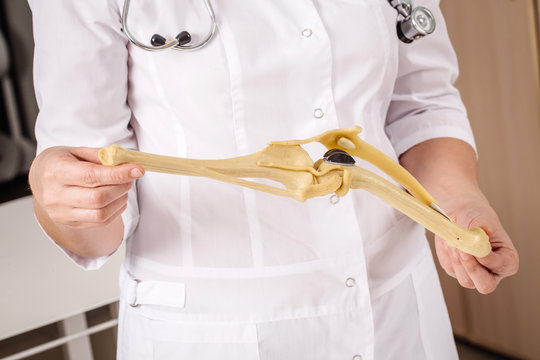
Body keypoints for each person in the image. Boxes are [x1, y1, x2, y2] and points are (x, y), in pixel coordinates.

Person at [27, 1, 519, 359]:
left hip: (396, 306)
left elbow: (421, 103)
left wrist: (455, 203)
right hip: (216, 332)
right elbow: (90, 196)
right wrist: (68, 202)